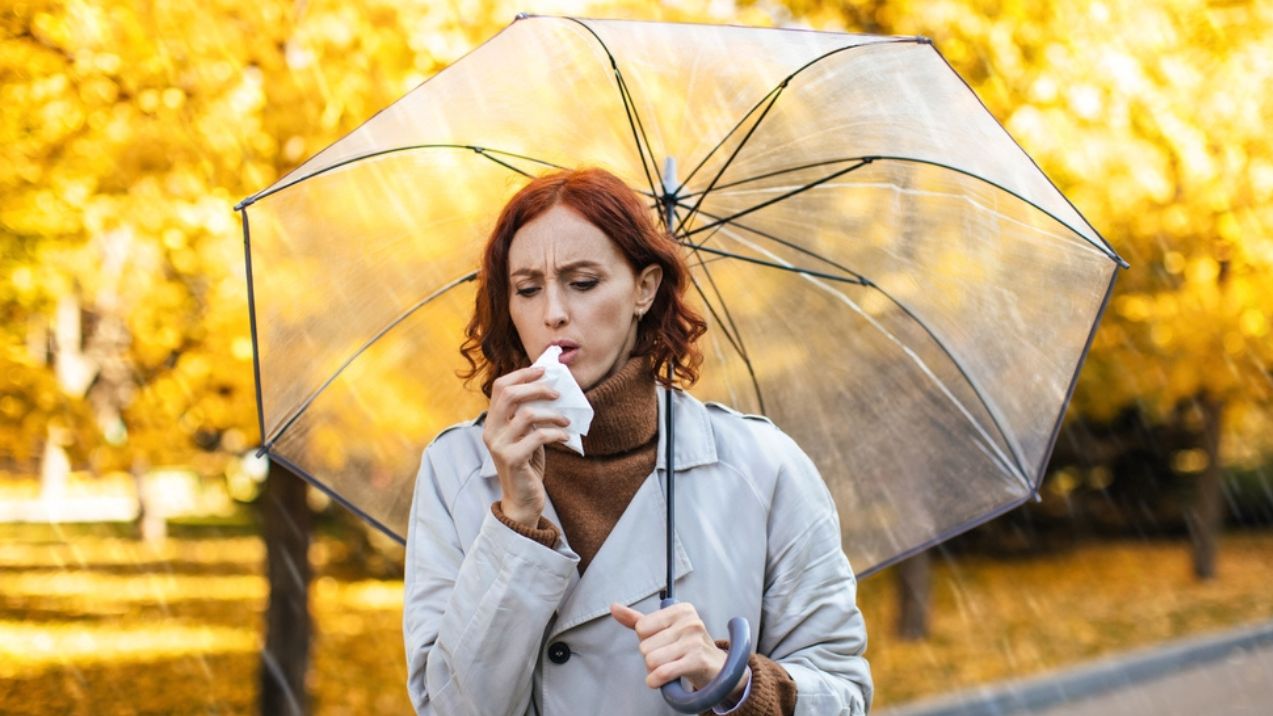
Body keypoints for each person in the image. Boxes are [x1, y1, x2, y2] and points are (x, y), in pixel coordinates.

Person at [403, 167, 872, 715]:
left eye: (583, 283)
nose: (552, 312)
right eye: (527, 289)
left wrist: (736, 683)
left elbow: (844, 695)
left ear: (644, 289)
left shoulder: (763, 467)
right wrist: (516, 521)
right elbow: (449, 710)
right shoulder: (456, 469)